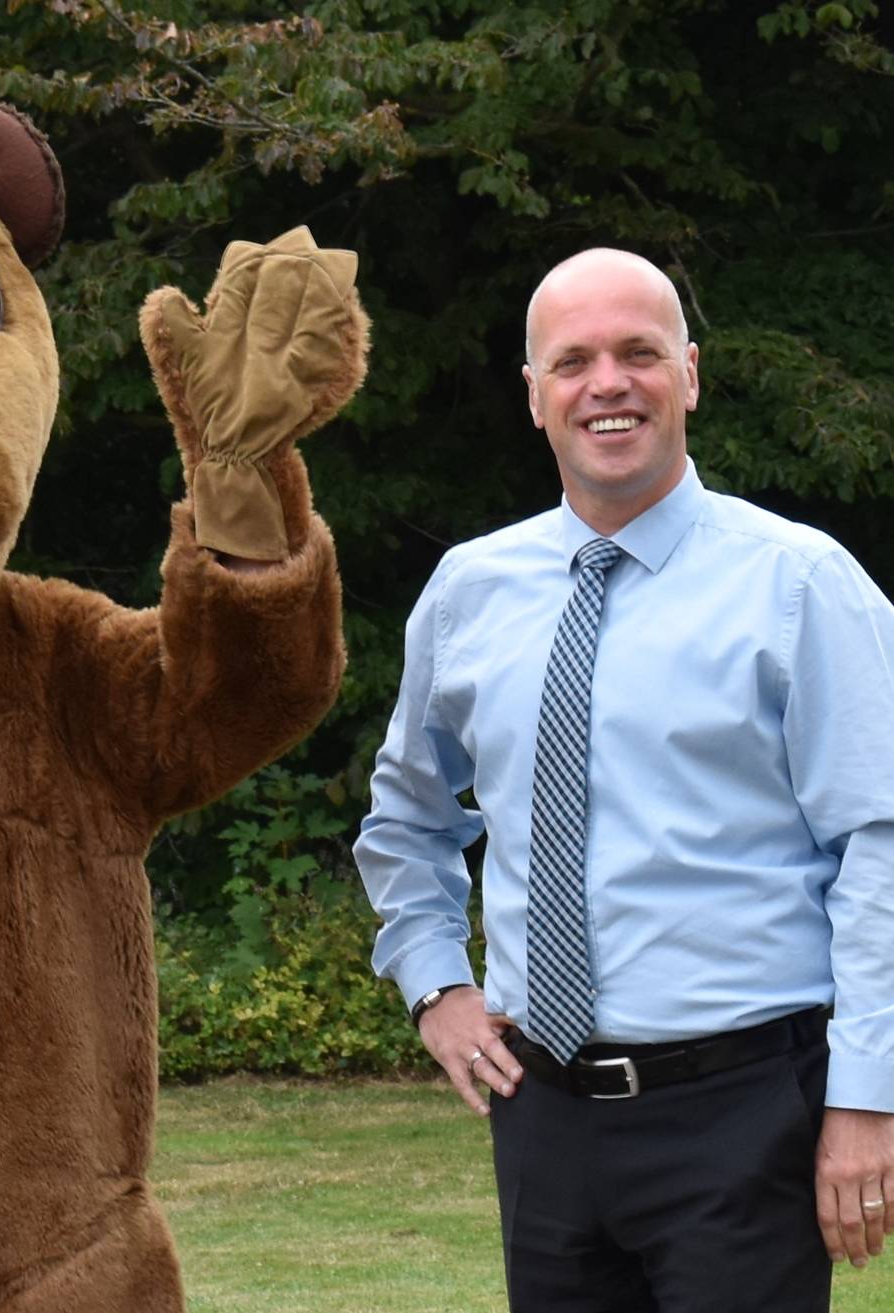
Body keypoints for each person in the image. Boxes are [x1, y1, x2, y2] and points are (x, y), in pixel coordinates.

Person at [353, 247, 894, 1308]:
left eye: (639, 353)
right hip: (543, 1117)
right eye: (574, 360)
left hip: (746, 1113)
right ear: (535, 395)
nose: (608, 382)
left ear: (687, 375)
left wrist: (868, 1098)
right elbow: (407, 814)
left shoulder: (802, 585)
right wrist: (434, 979)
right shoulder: (469, 592)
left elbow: (880, 848)